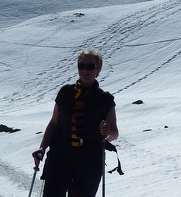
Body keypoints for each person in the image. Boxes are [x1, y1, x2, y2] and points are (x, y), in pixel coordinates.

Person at [32, 48, 119, 197]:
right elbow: (54, 123)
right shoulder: (66, 92)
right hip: (60, 155)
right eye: (81, 65)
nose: (85, 70)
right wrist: (42, 148)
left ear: (98, 69)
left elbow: (114, 134)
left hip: (90, 160)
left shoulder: (105, 99)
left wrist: (107, 131)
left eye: (90, 66)